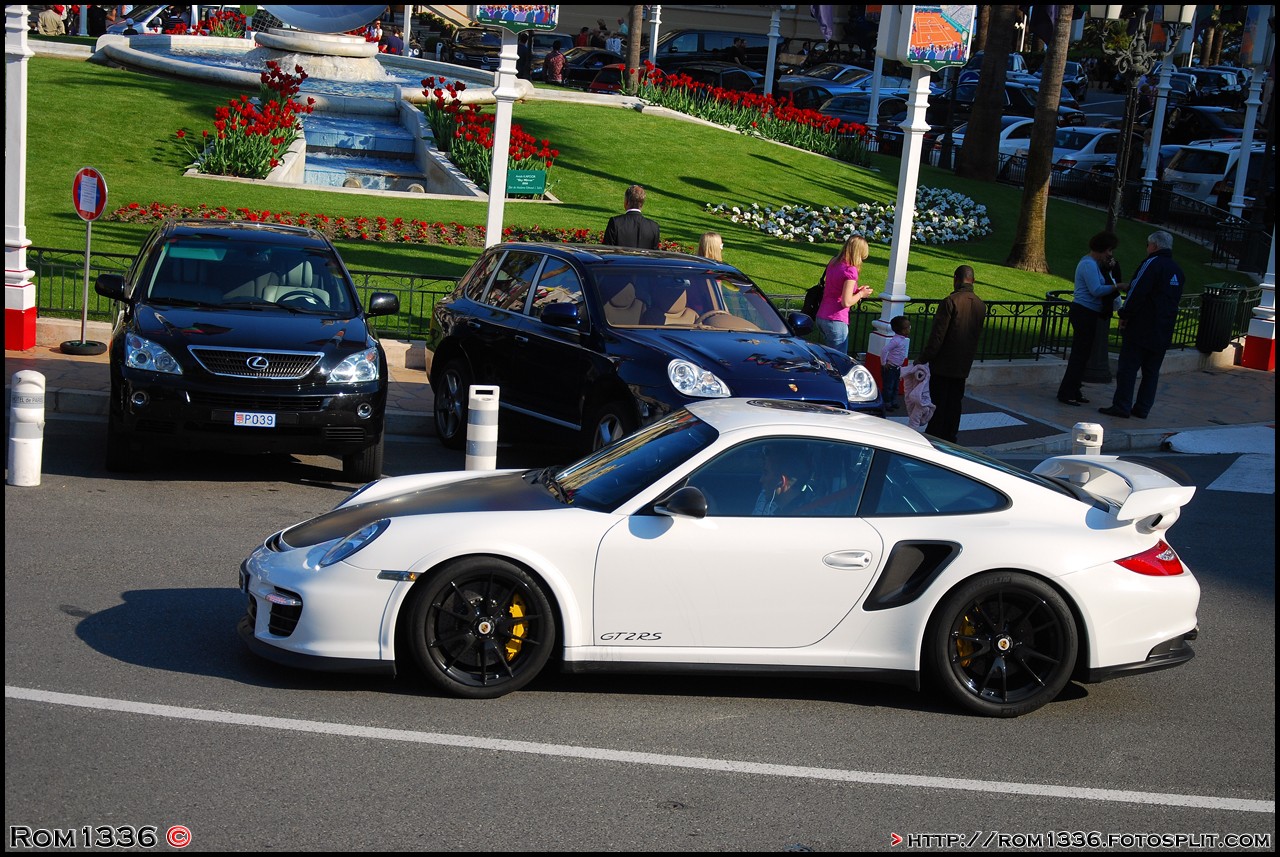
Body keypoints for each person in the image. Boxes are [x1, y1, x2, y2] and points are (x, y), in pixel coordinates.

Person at [1099, 231, 1185, 420]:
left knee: (1128, 368)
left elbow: (1137, 291)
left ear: (1154, 246)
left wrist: (1124, 313)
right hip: (1164, 327)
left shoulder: (1152, 264)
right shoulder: (1177, 270)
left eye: (1148, 244)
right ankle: (1142, 408)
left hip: (1142, 326)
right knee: (1151, 372)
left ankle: (1122, 405)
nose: (1147, 248)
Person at [918, 265, 986, 443]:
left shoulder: (950, 301)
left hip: (943, 363)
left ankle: (935, 435)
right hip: (963, 363)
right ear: (973, 280)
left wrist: (923, 358)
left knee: (938, 401)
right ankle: (950, 435)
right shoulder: (980, 305)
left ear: (956, 278)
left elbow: (937, 336)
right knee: (955, 402)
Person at [1057, 231, 1123, 406]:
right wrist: (1117, 286)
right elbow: (1096, 290)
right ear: (1101, 249)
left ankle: (1075, 389)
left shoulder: (1095, 264)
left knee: (1084, 354)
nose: (1110, 254)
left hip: (1089, 312)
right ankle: (1067, 392)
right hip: (1083, 312)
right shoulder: (1088, 264)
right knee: (1079, 355)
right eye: (1109, 250)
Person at [816, 235, 874, 354]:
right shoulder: (850, 270)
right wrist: (861, 294)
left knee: (828, 357)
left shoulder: (833, 262)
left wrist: (857, 291)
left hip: (822, 316)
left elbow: (836, 288)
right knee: (838, 360)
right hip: (836, 319)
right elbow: (846, 302)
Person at [752, 445, 813, 516]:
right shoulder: (801, 510)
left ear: (782, 482)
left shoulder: (795, 520)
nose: (761, 480)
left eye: (766, 473)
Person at [604, 185, 661, 249]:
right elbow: (654, 255)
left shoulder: (615, 223)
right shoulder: (653, 227)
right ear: (642, 204)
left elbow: (607, 251)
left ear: (626, 202)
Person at [881, 315, 911, 411]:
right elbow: (884, 350)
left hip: (898, 367)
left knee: (895, 386)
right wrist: (884, 363)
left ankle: (893, 401)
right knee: (889, 386)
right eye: (908, 327)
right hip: (891, 367)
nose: (909, 329)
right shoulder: (896, 341)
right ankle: (887, 402)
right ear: (902, 330)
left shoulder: (903, 340)